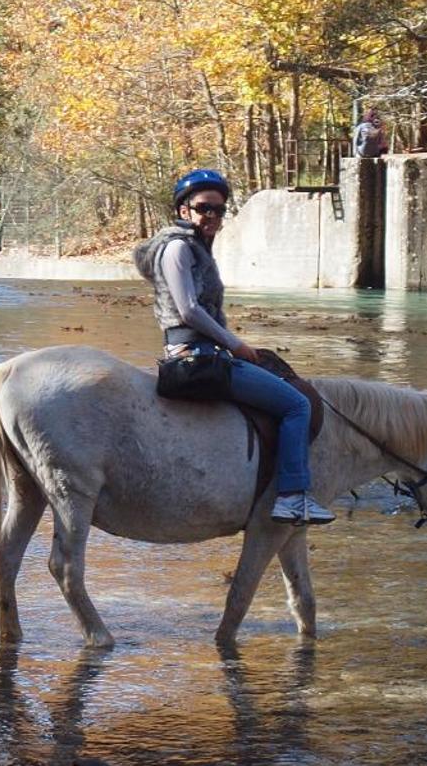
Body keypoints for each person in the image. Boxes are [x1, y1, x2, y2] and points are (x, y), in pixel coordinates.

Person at [133, 168, 335, 526]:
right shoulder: (178, 248)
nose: (212, 216)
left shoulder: (196, 249)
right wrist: (235, 344)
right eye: (204, 208)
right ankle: (291, 497)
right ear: (184, 211)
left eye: (220, 210)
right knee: (297, 405)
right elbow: (188, 310)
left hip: (207, 354)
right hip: (195, 359)